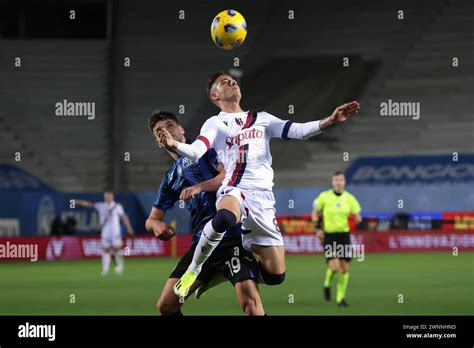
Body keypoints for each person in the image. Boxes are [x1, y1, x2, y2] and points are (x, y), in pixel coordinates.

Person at [158, 72, 360, 298]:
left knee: (276, 276)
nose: (231, 82)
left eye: (232, 80)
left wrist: (330, 120)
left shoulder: (263, 118)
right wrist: (174, 143)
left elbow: (299, 131)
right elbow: (196, 151)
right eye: (224, 82)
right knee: (223, 217)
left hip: (262, 199)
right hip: (234, 188)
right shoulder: (215, 123)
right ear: (215, 95)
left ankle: (220, 274)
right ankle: (194, 271)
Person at [146, 111, 265, 315]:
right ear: (159, 142)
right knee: (166, 305)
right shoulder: (171, 178)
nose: (166, 132)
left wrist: (200, 187)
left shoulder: (205, 149)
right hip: (202, 244)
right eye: (159, 131)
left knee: (251, 306)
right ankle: (212, 273)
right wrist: (157, 226)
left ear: (181, 129)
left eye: (170, 126)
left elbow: (227, 174)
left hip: (232, 237)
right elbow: (152, 219)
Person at [311, 171, 362, 307]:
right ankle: (327, 285)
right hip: (329, 235)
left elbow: (357, 215)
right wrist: (318, 229)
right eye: (336, 180)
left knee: (344, 269)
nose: (338, 182)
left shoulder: (350, 198)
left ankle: (340, 299)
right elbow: (315, 213)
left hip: (344, 236)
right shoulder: (324, 197)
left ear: (344, 182)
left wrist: (357, 218)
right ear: (332, 182)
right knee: (334, 268)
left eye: (341, 180)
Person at [75, 192, 135, 275]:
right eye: (107, 196)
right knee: (105, 249)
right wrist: (78, 202)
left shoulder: (117, 207)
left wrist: (129, 228)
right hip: (105, 232)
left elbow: (124, 217)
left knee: (117, 249)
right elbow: (90, 204)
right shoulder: (101, 206)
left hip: (115, 232)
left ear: (112, 197)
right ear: (104, 197)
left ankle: (119, 267)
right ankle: (105, 269)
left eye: (109, 196)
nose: (108, 198)